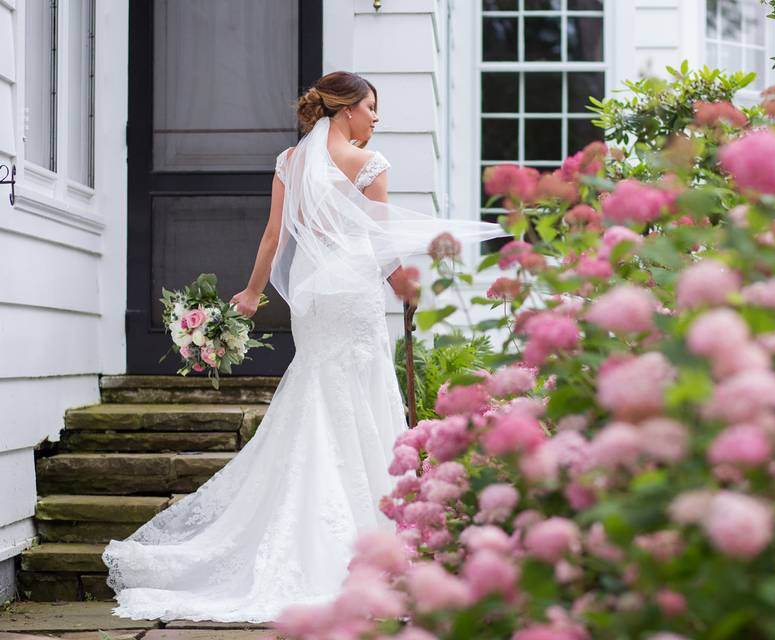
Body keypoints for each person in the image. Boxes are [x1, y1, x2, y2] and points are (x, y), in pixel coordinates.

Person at [101, 71, 507, 623]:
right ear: (345, 111)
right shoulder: (370, 165)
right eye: (370, 107)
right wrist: (404, 288)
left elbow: (274, 238)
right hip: (354, 293)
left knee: (319, 386)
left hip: (313, 295)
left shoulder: (290, 162)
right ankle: (372, 531)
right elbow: (381, 244)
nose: (375, 118)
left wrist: (250, 293)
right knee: (358, 390)